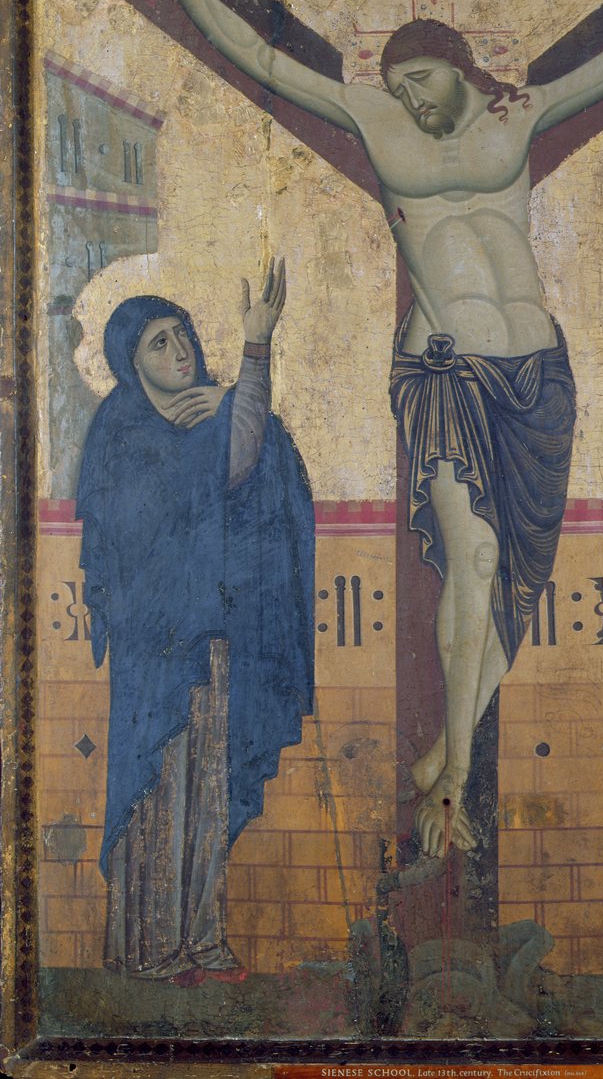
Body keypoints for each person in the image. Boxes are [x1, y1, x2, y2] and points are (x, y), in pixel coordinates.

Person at [88, 0, 603, 858]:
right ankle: (454, 785)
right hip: (446, 372)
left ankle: (445, 755)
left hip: (535, 379)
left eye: (422, 81)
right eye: (402, 87)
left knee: (517, 578)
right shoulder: (374, 119)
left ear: (457, 68)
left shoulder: (520, 114)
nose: (414, 101)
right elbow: (261, 57)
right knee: (472, 561)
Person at [77, 260, 315, 983]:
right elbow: (142, 525)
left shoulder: (215, 417)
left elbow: (248, 463)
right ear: (131, 362)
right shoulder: (121, 433)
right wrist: (243, 381)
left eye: (182, 334)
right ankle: (149, 946)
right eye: (159, 342)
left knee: (208, 788)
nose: (179, 349)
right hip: (153, 654)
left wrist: (244, 379)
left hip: (212, 639)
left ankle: (200, 937)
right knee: (157, 790)